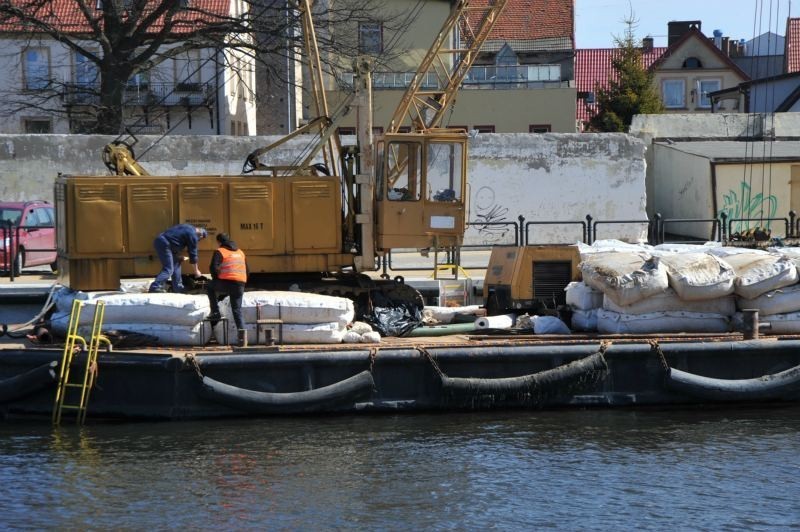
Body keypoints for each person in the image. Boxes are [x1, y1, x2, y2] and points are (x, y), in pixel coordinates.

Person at [206, 232, 248, 346]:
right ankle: (243, 339)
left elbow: (213, 268)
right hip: (240, 284)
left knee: (209, 286)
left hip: (226, 282)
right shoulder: (240, 252)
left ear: (219, 242)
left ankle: (215, 312)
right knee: (237, 310)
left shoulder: (220, 251)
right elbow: (248, 270)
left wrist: (216, 279)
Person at [149, 224, 207, 293]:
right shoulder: (193, 235)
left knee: (176, 263)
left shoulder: (188, 227)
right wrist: (196, 271)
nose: (198, 241)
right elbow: (193, 254)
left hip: (165, 243)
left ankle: (178, 288)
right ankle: (155, 287)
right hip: (165, 244)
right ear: (201, 235)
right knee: (169, 269)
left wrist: (177, 256)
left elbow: (175, 239)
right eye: (200, 239)